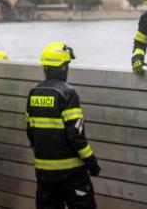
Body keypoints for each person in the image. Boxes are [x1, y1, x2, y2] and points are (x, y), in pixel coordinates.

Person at [26, 42, 101, 208]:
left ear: (45, 68)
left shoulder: (33, 93)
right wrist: (91, 162)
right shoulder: (67, 94)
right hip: (72, 174)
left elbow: (30, 132)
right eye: (67, 64)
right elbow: (76, 135)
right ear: (62, 67)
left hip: (44, 174)